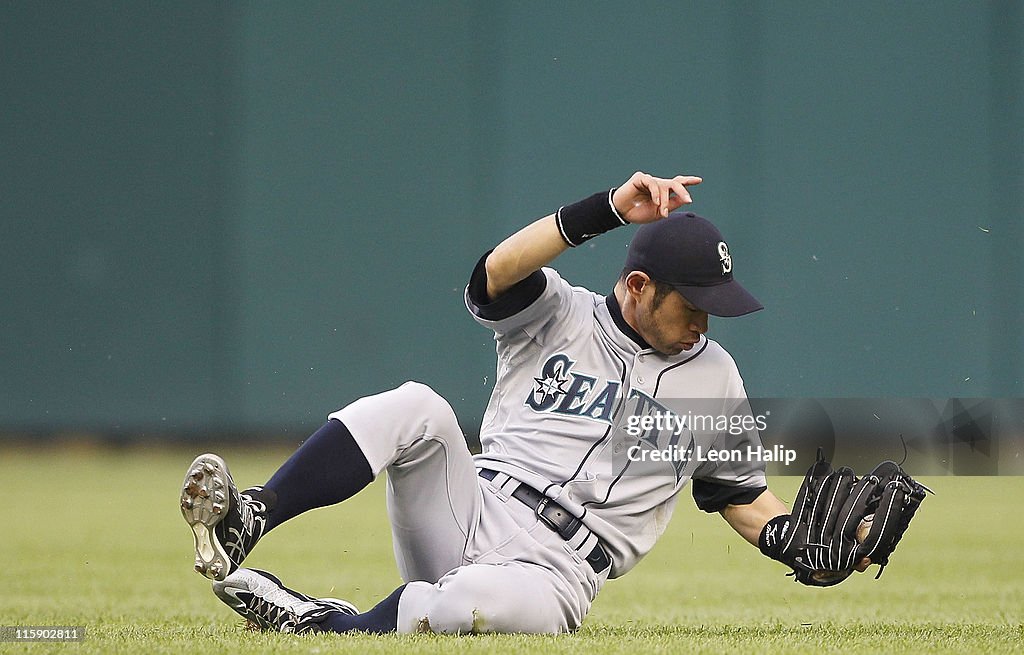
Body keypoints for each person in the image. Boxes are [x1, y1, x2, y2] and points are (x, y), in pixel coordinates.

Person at [180, 171, 825, 634]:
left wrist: (799, 543)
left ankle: (330, 626)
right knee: (418, 406)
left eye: (717, 304)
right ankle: (250, 517)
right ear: (637, 286)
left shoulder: (715, 376)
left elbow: (736, 492)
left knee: (478, 603)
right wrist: (604, 209)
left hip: (557, 570)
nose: (706, 321)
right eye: (694, 303)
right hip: (471, 508)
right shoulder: (561, 315)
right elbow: (496, 271)